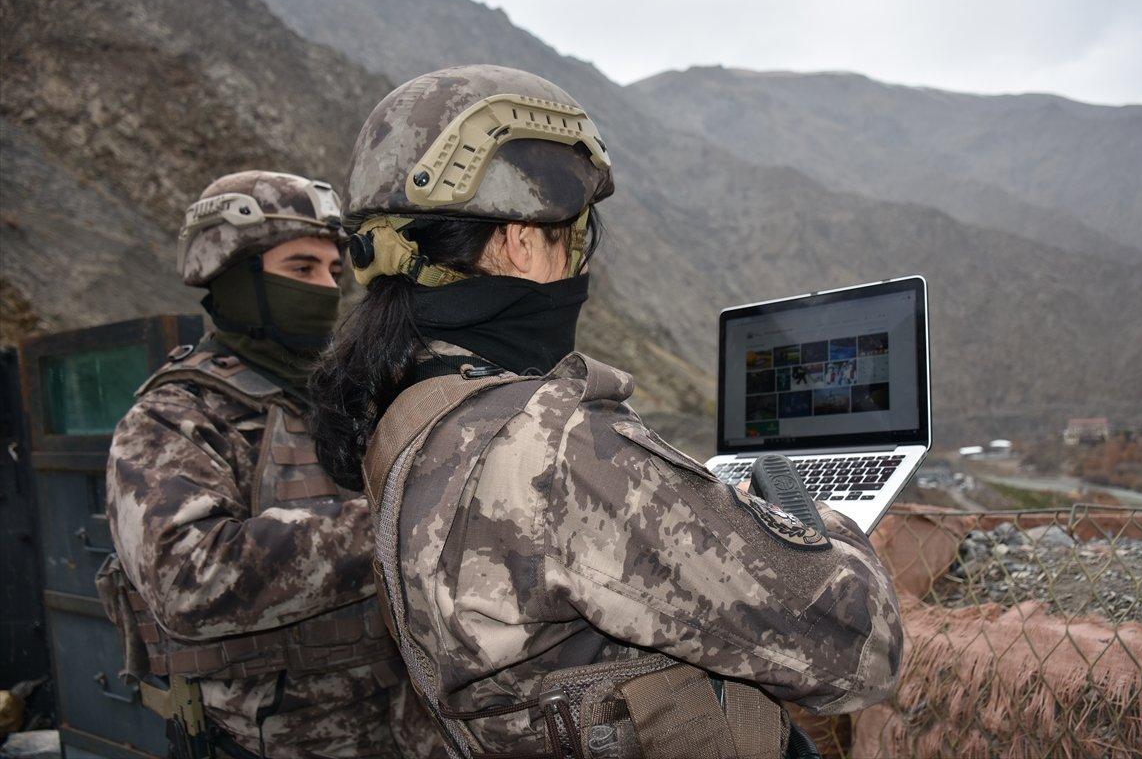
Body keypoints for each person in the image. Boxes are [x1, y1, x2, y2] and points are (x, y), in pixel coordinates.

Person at [310, 66, 903, 759]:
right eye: (575, 238)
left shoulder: (407, 420)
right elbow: (864, 646)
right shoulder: (554, 446)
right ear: (519, 241)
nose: (578, 266)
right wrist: (810, 516)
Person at [98, 171, 427, 758]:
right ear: (235, 279)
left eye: (333, 271)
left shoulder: (351, 398)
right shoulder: (173, 418)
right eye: (301, 270)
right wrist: (398, 520)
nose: (326, 288)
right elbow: (186, 582)